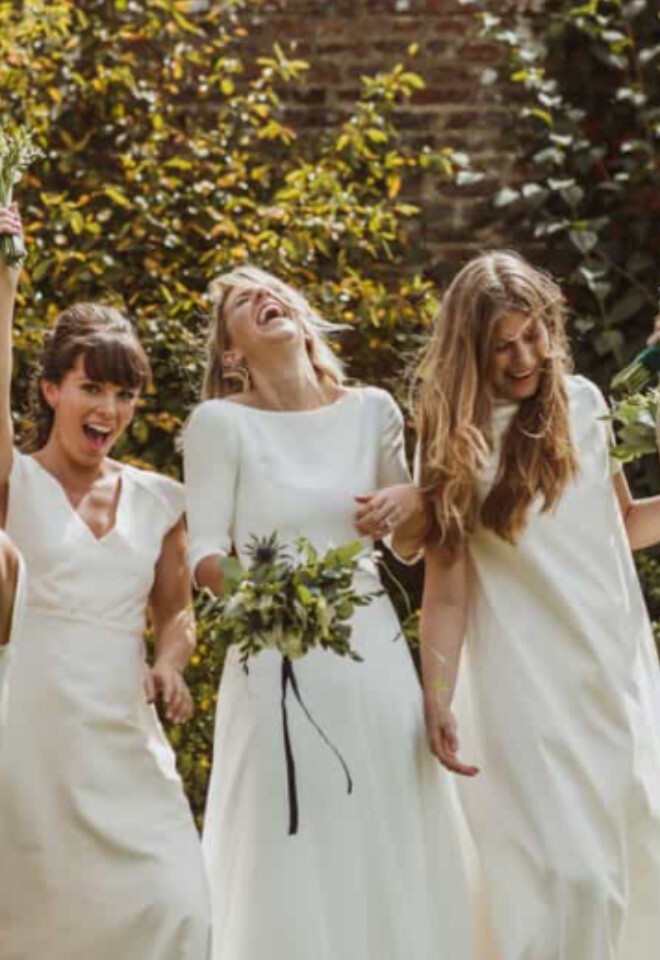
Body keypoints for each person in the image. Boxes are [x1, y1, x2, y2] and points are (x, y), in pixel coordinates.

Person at [183, 265, 475, 960]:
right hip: (273, 657)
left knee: (383, 822)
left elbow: (411, 544)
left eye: (273, 290)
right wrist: (268, 595)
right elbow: (203, 555)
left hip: (369, 653)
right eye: (244, 300)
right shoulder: (219, 424)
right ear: (231, 351)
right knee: (289, 838)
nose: (265, 297)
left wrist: (410, 502)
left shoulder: (372, 410)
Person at [412, 250, 660, 960]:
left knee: (636, 857)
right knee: (569, 879)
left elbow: (623, 524)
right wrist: (437, 696)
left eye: (533, 335)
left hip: (611, 673)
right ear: (469, 350)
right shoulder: (451, 441)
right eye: (502, 346)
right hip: (525, 686)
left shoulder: (584, 402)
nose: (524, 358)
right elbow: (447, 590)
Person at [0, 204, 211, 960]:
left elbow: (177, 613)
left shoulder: (159, 500)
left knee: (179, 907)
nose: (110, 410)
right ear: (50, 390)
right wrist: (6, 277)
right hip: (30, 739)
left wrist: (169, 665)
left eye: (125, 395)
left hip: (124, 738)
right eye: (92, 388)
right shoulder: (13, 483)